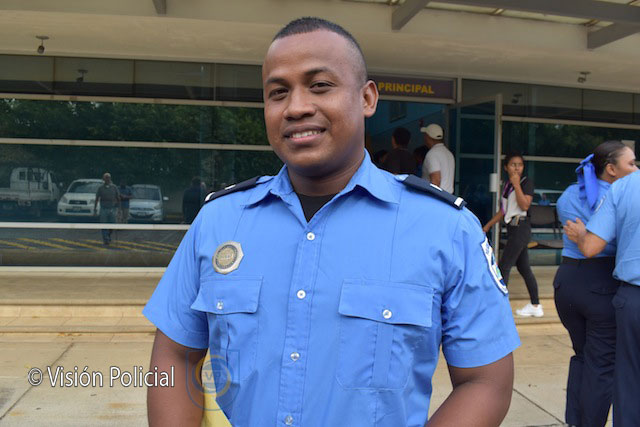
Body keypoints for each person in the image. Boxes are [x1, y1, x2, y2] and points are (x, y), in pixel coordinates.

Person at [144, 17, 519, 426]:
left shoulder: (446, 229)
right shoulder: (219, 222)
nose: (296, 107)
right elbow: (175, 356)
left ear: (367, 98)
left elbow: (486, 382)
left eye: (320, 85)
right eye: (278, 92)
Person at [554, 141, 637, 427]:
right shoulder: (618, 193)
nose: (635, 169)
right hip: (600, 283)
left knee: (582, 356)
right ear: (611, 169)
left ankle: (575, 421)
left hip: (567, 281)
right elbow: (602, 244)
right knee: (602, 364)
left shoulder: (569, 194)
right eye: (631, 164)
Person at [483, 153, 542, 317]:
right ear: (506, 167)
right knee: (524, 268)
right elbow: (504, 210)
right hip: (513, 228)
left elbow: (525, 205)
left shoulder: (525, 183)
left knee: (504, 266)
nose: (517, 168)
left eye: (520, 165)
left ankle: (499, 308)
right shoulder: (507, 185)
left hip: (521, 227)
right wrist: (487, 226)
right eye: (513, 164)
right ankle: (536, 305)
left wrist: (517, 185)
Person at [421, 123, 455, 193]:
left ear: (428, 137)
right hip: (448, 197)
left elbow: (436, 180)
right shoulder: (448, 153)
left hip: (436, 197)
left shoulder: (432, 154)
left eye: (425, 135)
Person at [94, 172, 119, 245]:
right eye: (106, 178)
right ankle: (105, 238)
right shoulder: (100, 188)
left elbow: (118, 197)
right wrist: (95, 208)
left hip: (112, 208)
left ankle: (108, 235)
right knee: (103, 224)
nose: (107, 179)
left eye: (108, 177)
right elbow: (97, 198)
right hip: (103, 208)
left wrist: (119, 208)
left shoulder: (114, 187)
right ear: (103, 179)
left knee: (112, 224)